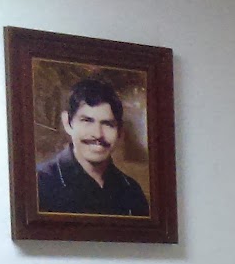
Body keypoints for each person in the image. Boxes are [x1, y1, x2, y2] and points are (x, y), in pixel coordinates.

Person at [35, 77, 150, 216]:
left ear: (120, 131)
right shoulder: (39, 184)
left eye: (108, 124)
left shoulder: (131, 191)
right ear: (67, 123)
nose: (98, 134)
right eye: (87, 121)